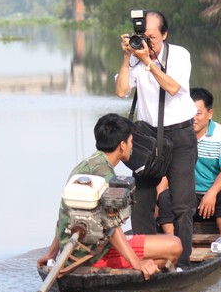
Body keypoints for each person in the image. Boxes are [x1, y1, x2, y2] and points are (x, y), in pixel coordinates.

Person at [37, 113, 182, 279]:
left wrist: (52, 253)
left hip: (72, 252)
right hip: (95, 254)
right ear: (122, 145)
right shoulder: (104, 176)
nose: (132, 147)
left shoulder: (83, 166)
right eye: (131, 142)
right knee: (175, 246)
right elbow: (112, 227)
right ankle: (129, 275)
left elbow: (65, 216)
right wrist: (136, 262)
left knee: (160, 254)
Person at [115, 11, 198, 268]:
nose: (148, 43)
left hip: (181, 135)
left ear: (164, 34)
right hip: (149, 139)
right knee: (141, 202)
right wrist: (129, 56)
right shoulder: (136, 58)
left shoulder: (179, 55)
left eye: (152, 37)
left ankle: (181, 262)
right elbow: (121, 91)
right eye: (143, 37)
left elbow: (173, 87)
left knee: (182, 204)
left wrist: (148, 62)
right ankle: (146, 257)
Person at [156, 87, 221, 237]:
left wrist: (211, 193)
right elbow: (165, 173)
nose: (193, 118)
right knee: (165, 198)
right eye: (189, 113)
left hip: (215, 197)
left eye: (198, 113)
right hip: (187, 196)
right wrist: (158, 201)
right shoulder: (174, 136)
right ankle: (172, 243)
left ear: (210, 113)